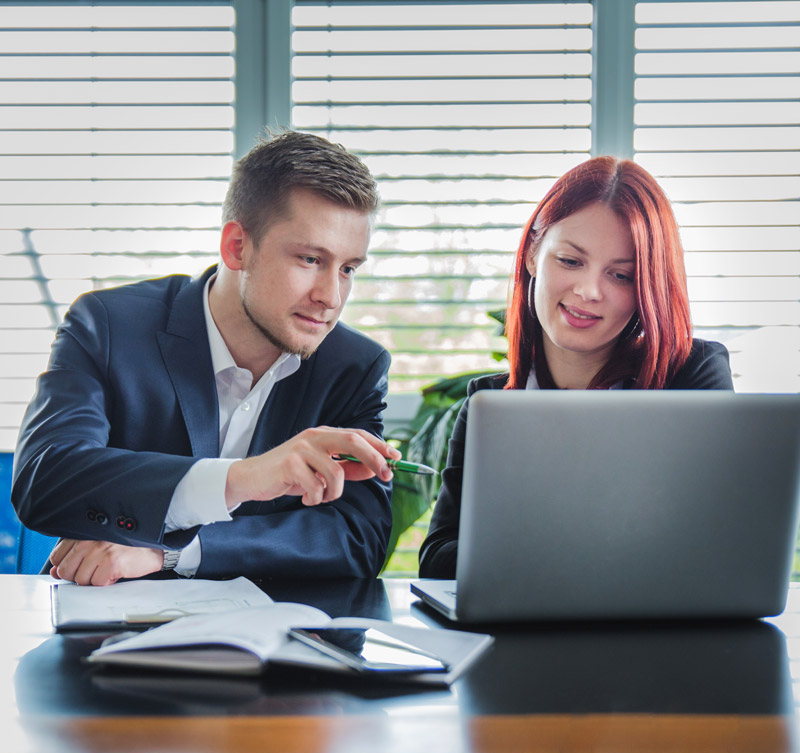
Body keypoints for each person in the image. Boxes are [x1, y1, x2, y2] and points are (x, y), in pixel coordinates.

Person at [12, 130, 400, 586]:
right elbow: (46, 479)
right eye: (310, 259)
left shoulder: (354, 366)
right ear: (237, 247)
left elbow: (357, 538)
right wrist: (241, 479)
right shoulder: (110, 324)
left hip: (272, 641)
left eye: (348, 268)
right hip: (102, 627)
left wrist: (171, 553)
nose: (331, 297)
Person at [418, 156, 734, 579]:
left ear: (646, 288)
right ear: (533, 254)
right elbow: (438, 560)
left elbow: (717, 546)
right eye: (569, 261)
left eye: (621, 276)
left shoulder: (690, 376)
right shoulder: (488, 404)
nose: (588, 291)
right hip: (524, 636)